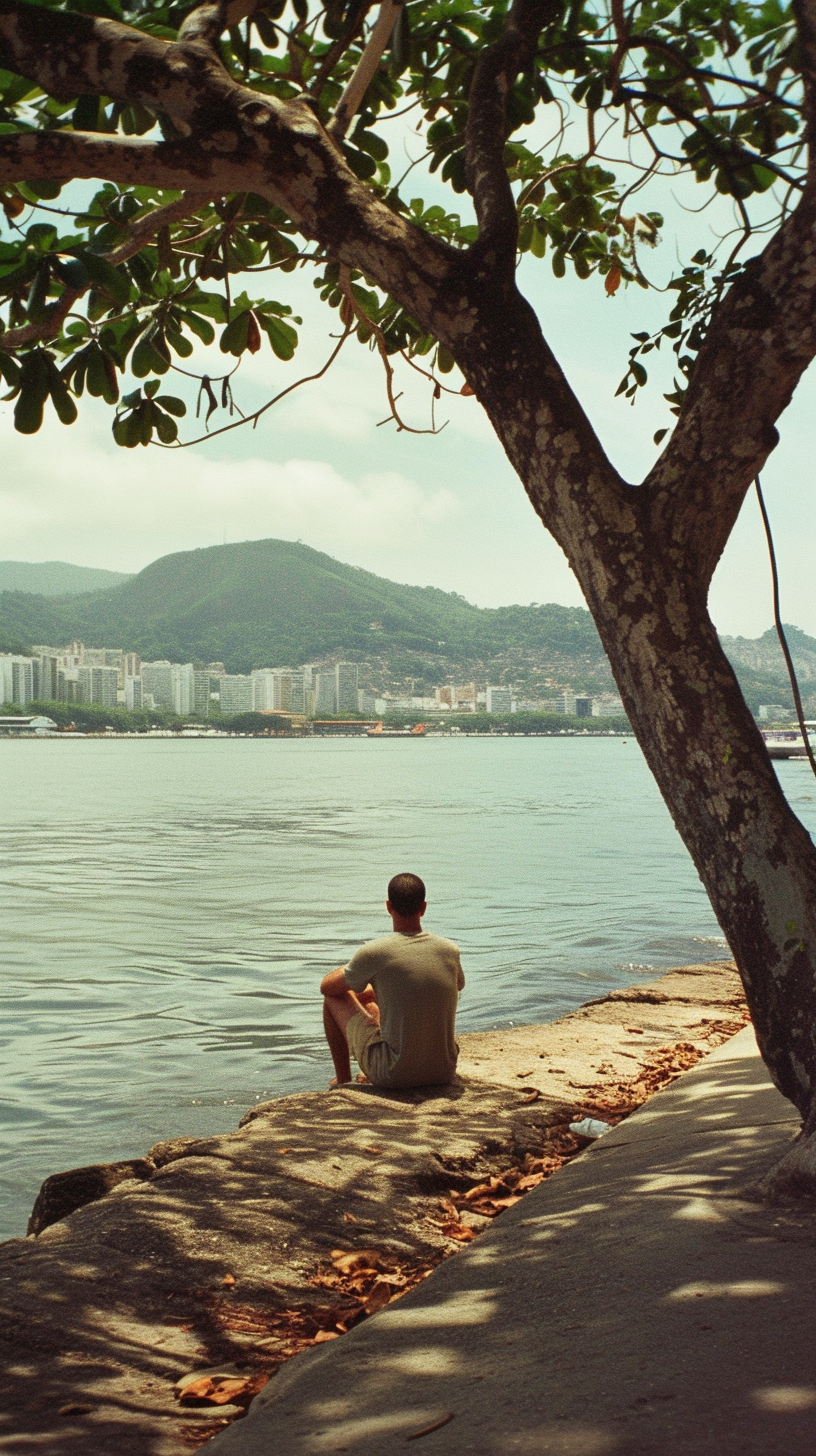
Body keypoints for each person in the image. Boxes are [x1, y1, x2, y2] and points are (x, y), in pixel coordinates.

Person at [320, 872, 465, 1089]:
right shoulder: (449, 950)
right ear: (423, 908)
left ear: (388, 906)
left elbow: (327, 987)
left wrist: (356, 969)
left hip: (394, 1075)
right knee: (370, 995)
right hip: (443, 1071)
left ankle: (342, 1080)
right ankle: (370, 1068)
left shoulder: (375, 952)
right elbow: (458, 984)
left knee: (333, 1000)